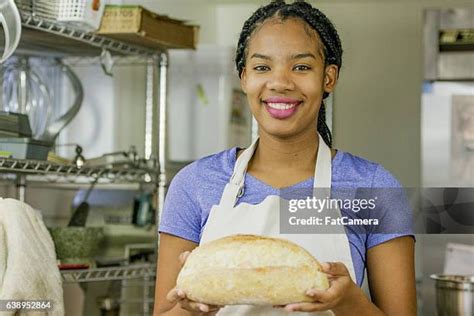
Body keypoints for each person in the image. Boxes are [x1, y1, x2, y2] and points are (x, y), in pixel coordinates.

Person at [153, 1, 416, 315]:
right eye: (262, 67)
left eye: (301, 66)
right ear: (244, 78)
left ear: (329, 78)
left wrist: (348, 301)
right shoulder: (194, 183)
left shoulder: (375, 188)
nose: (280, 82)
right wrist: (195, 307)